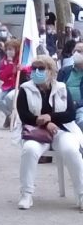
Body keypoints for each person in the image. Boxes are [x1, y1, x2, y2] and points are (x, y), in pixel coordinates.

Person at [16, 55, 83, 210]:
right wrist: (47, 123)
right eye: (34, 68)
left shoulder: (62, 88)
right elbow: (24, 115)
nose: (37, 71)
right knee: (29, 150)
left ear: (51, 71)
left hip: (62, 130)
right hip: (36, 132)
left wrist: (50, 117)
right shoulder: (25, 89)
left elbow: (70, 114)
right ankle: (26, 194)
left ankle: (81, 194)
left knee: (71, 150)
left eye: (41, 68)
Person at [0, 40, 20, 128]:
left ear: (16, 50)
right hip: (7, 86)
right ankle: (10, 115)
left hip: (18, 86)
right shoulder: (4, 61)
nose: (9, 52)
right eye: (7, 49)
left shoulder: (20, 60)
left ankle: (11, 117)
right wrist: (9, 64)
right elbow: (2, 76)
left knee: (9, 97)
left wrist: (13, 64)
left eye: (11, 49)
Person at [57, 52, 83, 130]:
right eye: (76, 50)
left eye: (80, 51)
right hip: (63, 104)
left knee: (81, 120)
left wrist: (76, 104)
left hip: (80, 106)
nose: (77, 53)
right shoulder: (64, 70)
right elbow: (56, 88)